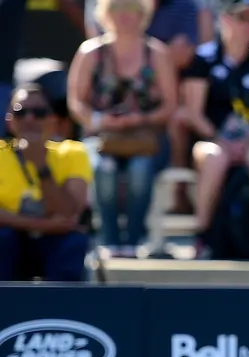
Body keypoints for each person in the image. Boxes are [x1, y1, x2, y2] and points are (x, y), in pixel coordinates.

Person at [66, 0, 177, 257]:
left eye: (131, 10)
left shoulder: (156, 53)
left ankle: (134, 238)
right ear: (105, 15)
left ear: (143, 16)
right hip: (102, 137)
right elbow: (76, 102)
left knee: (140, 169)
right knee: (102, 169)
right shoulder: (91, 52)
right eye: (117, 9)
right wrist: (100, 120)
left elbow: (170, 105)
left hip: (145, 138)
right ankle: (110, 239)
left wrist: (139, 120)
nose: (125, 16)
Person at [181, 0, 249, 257]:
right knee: (215, 159)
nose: (248, 26)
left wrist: (246, 141)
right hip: (211, 140)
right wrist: (222, 140)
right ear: (225, 19)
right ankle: (202, 235)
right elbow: (194, 113)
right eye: (241, 18)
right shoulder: (203, 59)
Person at [0, 84, 93, 282]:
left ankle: (62, 310)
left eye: (39, 112)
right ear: (9, 120)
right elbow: (62, 222)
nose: (30, 119)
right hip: (10, 241)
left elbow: (69, 213)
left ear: (53, 120)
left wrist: (41, 165)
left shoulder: (72, 152)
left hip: (54, 243)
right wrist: (43, 224)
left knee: (73, 243)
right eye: (21, 112)